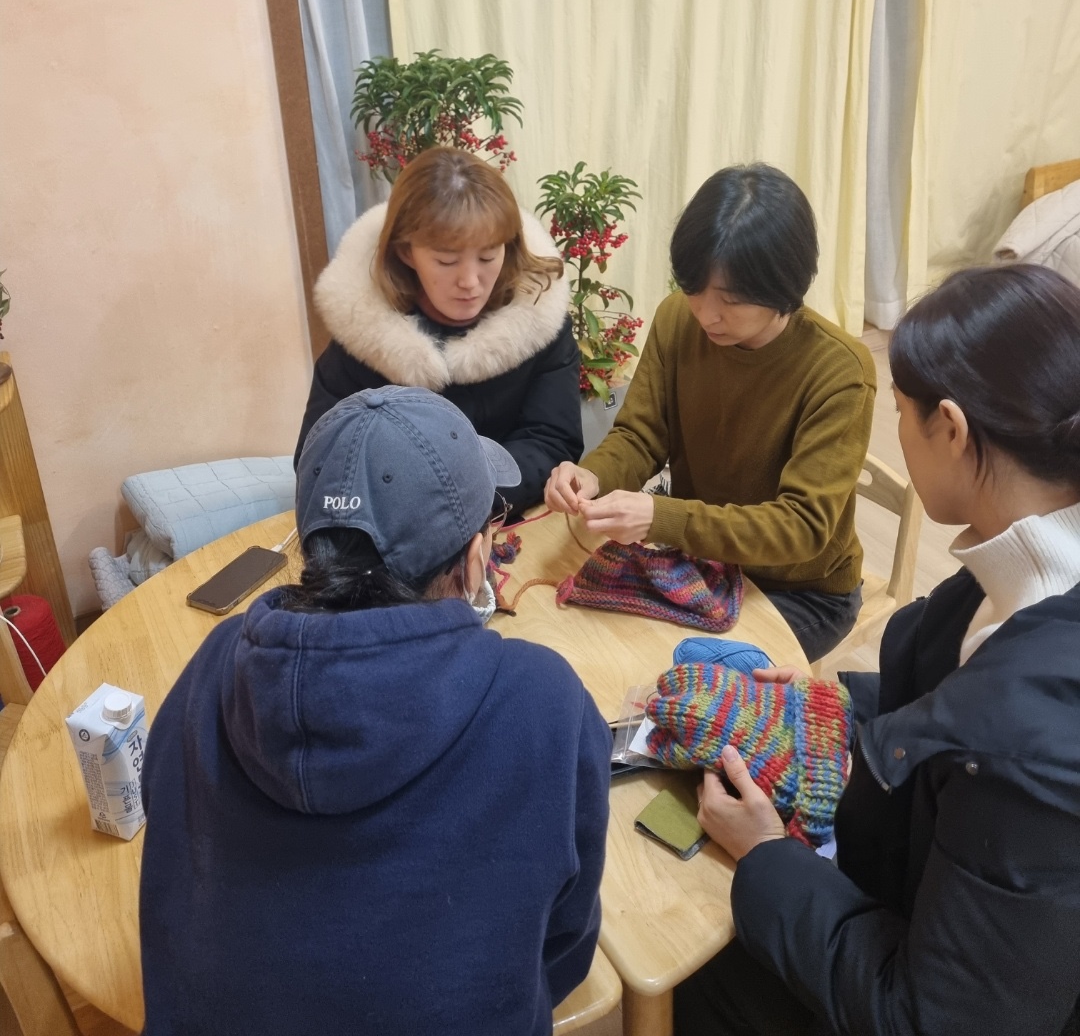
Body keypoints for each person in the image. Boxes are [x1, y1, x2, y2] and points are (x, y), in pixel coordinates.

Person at [674, 263, 1080, 1036]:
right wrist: (835, 701)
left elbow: (936, 1018)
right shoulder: (1015, 578)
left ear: (951, 429)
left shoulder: (1034, 747)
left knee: (703, 962)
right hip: (931, 910)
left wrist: (768, 856)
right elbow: (955, 695)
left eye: (901, 413)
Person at [140, 386, 611, 1036]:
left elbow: (169, 864)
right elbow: (564, 945)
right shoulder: (543, 699)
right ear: (478, 558)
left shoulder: (217, 664)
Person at [545, 164, 876, 662]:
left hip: (799, 591)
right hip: (704, 562)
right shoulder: (677, 319)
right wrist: (592, 476)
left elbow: (802, 527)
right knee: (590, 637)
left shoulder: (840, 371)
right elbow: (640, 435)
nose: (705, 314)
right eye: (694, 289)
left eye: (732, 300)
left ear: (784, 286)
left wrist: (662, 518)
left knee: (678, 674)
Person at [296, 146, 583, 517]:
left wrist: (462, 500)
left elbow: (551, 441)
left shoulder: (539, 320)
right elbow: (320, 463)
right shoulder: (363, 335)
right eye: (446, 260)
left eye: (488, 256)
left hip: (504, 517)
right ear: (406, 252)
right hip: (395, 527)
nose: (470, 281)